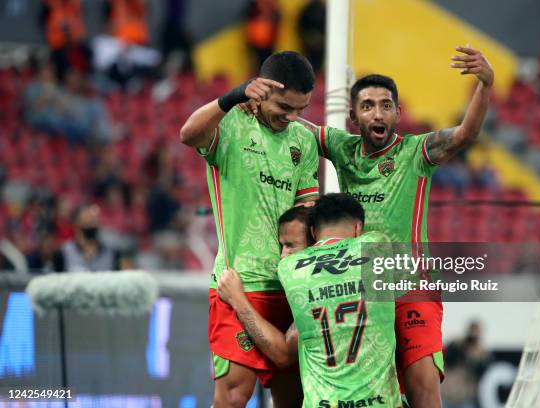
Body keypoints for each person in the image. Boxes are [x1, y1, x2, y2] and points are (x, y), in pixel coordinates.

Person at [296, 45, 495, 408]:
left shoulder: (416, 153)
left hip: (411, 289)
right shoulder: (342, 148)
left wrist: (485, 84)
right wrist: (255, 98)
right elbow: (299, 124)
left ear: (398, 113)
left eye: (386, 105)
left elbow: (466, 134)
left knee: (422, 389)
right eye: (368, 105)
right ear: (354, 116)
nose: (378, 112)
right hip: (362, 295)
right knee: (372, 395)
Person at [180, 51, 319, 407]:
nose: (292, 117)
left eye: (300, 110)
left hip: (289, 285)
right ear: (261, 92)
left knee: (292, 399)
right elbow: (188, 133)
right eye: (285, 107)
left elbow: (308, 209)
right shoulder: (230, 124)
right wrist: (231, 98)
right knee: (233, 396)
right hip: (237, 283)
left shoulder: (302, 142)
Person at [218, 193, 402, 407]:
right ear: (358, 228)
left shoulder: (291, 268)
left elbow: (282, 354)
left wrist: (237, 299)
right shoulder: (379, 246)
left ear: (314, 232)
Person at [60, 204, 122, 272]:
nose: (93, 221)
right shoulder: (64, 252)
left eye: (95, 218)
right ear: (76, 223)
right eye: (88, 218)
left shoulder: (111, 252)